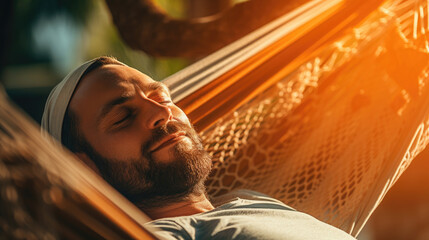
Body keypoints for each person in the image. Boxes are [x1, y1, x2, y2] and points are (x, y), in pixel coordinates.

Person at [42, 56, 356, 240]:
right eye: (123, 116)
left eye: (163, 98)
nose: (161, 113)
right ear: (82, 168)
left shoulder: (252, 200)